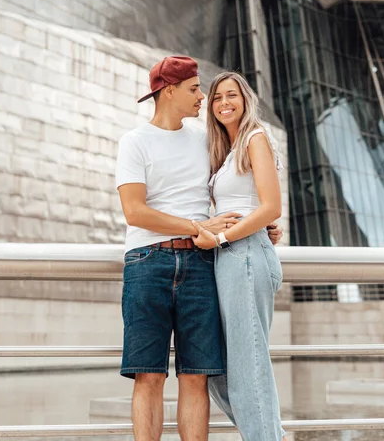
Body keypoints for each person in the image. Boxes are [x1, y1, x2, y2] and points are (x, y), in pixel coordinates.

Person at [116, 56, 282, 441]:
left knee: (198, 376)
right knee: (148, 375)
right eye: (194, 88)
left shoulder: (208, 139)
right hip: (147, 262)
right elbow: (135, 211)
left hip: (202, 261)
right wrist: (199, 227)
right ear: (168, 91)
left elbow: (243, 186)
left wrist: (257, 226)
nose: (203, 97)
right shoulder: (134, 142)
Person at [191, 71, 287, 441]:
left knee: (248, 369)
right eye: (216, 98)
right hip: (230, 258)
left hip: (243, 256)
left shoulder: (255, 138)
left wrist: (221, 238)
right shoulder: (226, 151)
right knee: (219, 372)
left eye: (232, 95)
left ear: (246, 99)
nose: (224, 103)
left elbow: (271, 207)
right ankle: (270, 435)